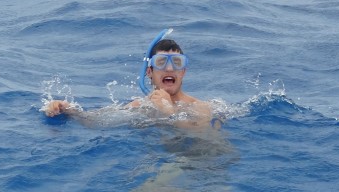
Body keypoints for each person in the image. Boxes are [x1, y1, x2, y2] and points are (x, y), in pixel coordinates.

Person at [44, 33, 221, 129]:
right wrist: (66, 109)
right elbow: (96, 122)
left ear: (183, 72)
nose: (169, 68)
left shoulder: (200, 107)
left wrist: (169, 111)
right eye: (161, 62)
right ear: (149, 72)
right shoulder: (139, 106)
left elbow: (204, 136)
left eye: (177, 63)